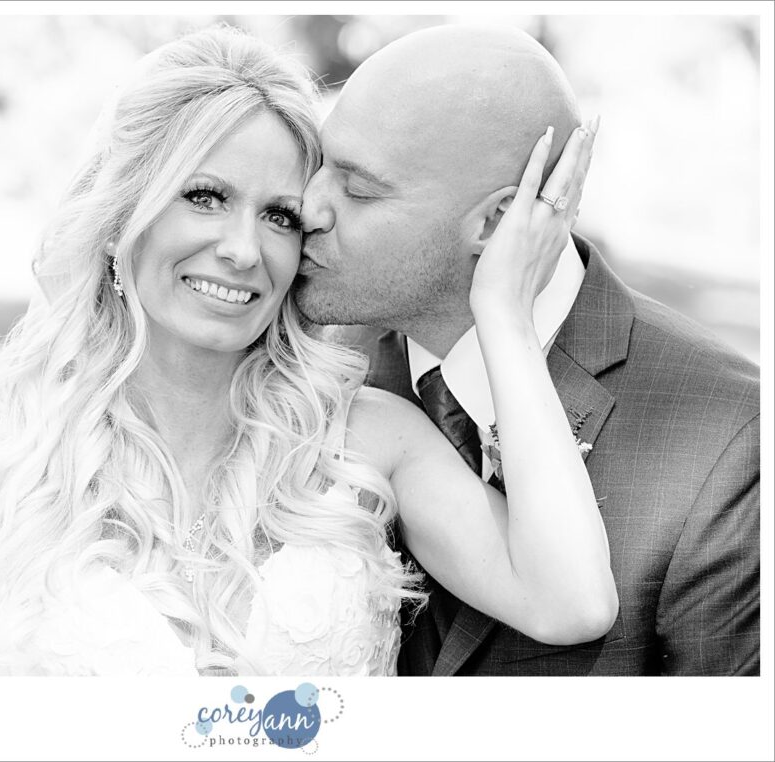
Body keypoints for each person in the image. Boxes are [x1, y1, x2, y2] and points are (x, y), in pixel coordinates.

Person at [0, 25, 611, 677]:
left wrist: (503, 313)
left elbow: (569, 603)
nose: (241, 250)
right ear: (119, 215)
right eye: (204, 197)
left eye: (278, 215)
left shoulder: (366, 441)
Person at [295, 24, 761, 676]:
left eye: (358, 187)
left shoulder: (731, 437)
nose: (307, 207)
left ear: (495, 221)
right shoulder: (305, 373)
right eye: (320, 164)